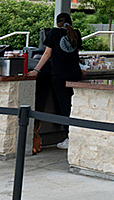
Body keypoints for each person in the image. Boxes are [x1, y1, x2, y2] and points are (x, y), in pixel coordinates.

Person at [29, 13, 82, 149]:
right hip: (75, 74)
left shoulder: (53, 33)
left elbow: (47, 53)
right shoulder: (76, 33)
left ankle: (69, 138)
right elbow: (75, 54)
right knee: (75, 106)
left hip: (60, 75)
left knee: (65, 107)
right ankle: (77, 135)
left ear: (57, 22)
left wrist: (36, 70)